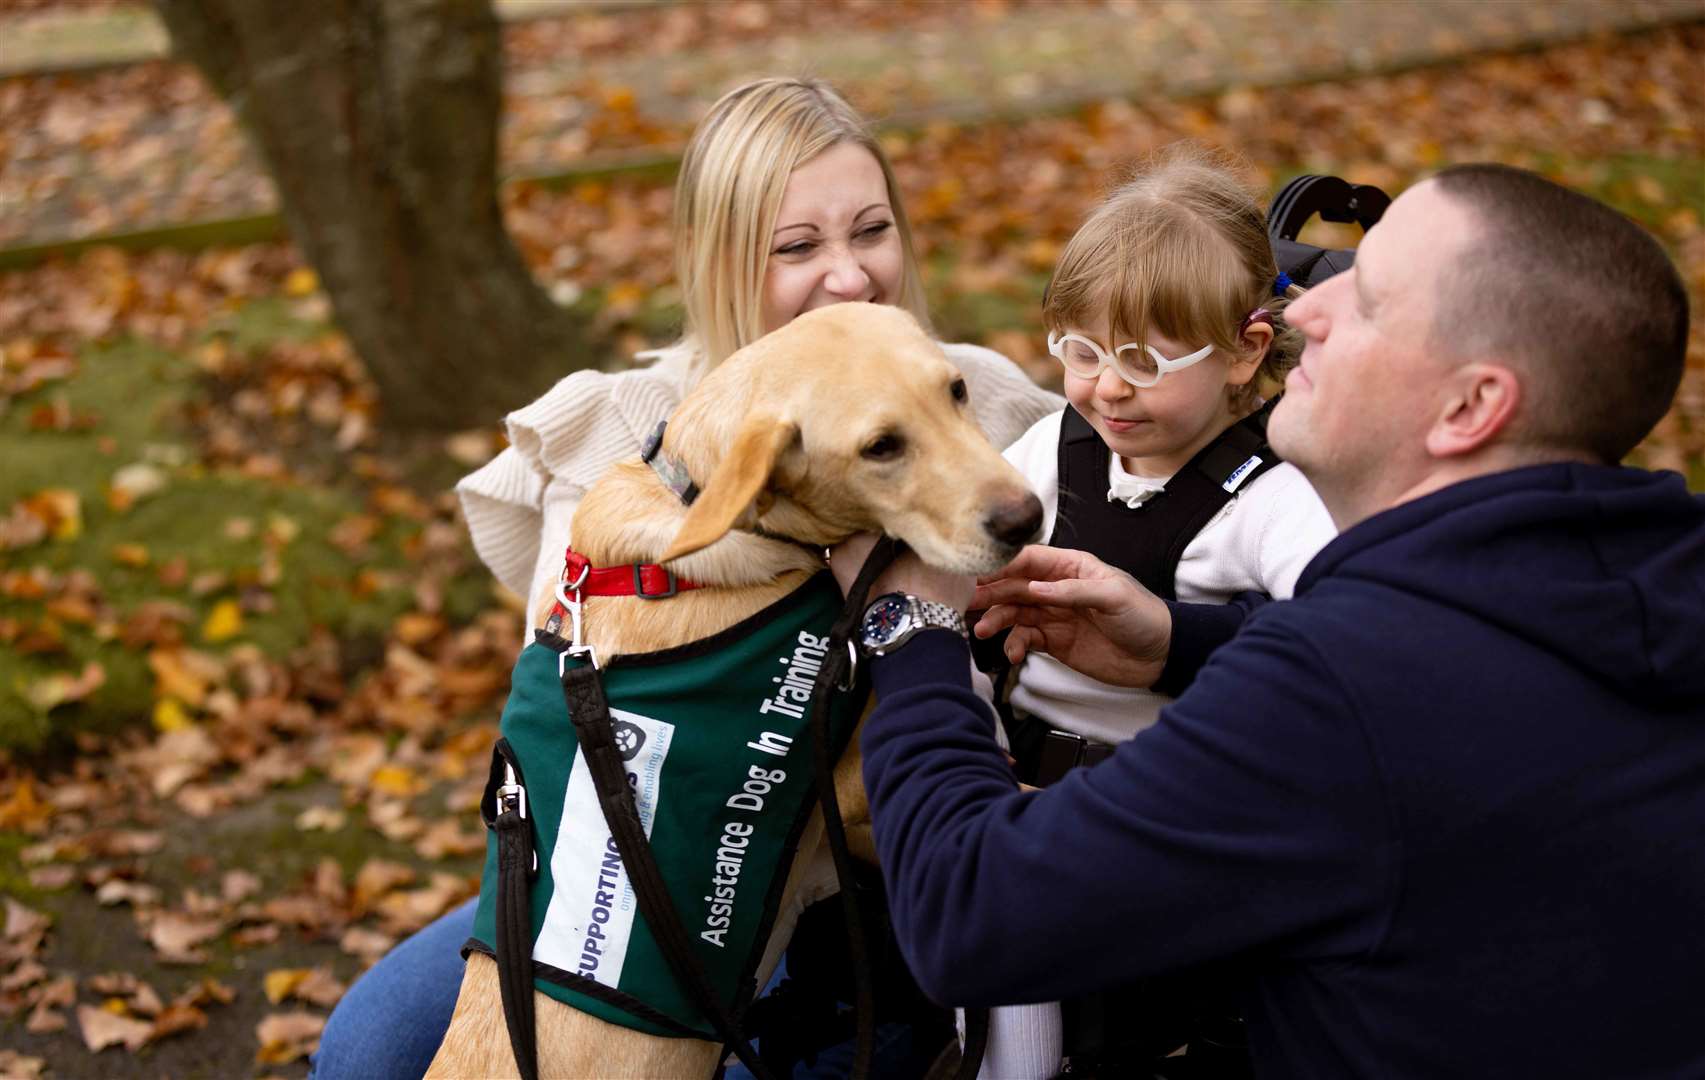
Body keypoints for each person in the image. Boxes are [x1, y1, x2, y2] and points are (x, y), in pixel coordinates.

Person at [832, 163, 1703, 1077]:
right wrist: (1179, 642)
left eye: (1365, 299)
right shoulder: (1649, 586)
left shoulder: (1348, 688)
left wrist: (910, 629)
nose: (1299, 311)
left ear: (1472, 405)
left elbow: (969, 913)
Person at [309, 77, 1061, 1079]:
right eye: (796, 247)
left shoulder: (981, 398)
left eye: (871, 230)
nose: (846, 278)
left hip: (875, 893)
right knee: (368, 1048)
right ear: (717, 259)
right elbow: (583, 721)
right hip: (648, 853)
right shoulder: (621, 430)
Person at [975, 147, 1336, 1077]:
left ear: (1245, 351)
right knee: (1006, 1018)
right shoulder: (1056, 448)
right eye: (1082, 351)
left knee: (1130, 1034)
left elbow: (1337, 642)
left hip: (1162, 813)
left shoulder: (1269, 495)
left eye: (1144, 360)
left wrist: (1182, 639)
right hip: (1015, 784)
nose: (1106, 388)